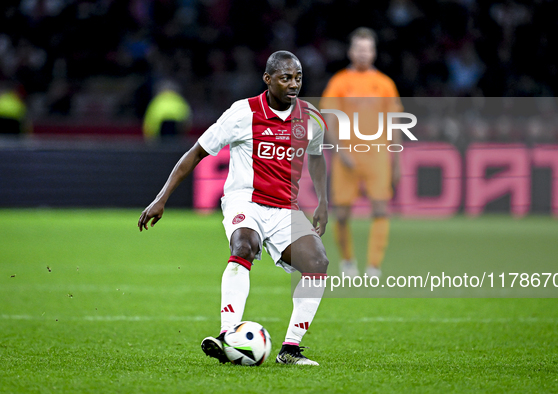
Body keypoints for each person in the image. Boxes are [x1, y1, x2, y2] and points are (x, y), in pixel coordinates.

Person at [138, 51, 329, 366]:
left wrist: (322, 200)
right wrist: (162, 198)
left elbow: (318, 156)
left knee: (318, 263)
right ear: (267, 80)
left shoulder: (311, 118)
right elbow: (195, 153)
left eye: (298, 77)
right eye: (285, 78)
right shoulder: (242, 113)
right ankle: (227, 337)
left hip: (286, 208)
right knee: (243, 245)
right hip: (246, 201)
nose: (293, 84)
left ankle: (290, 350)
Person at [321, 27, 403, 279]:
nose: (363, 53)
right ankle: (347, 263)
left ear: (374, 53)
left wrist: (397, 162)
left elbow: (395, 124)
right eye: (358, 48)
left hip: (377, 156)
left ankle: (374, 266)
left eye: (367, 49)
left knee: (380, 210)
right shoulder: (339, 82)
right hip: (347, 156)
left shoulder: (385, 84)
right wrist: (340, 151)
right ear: (350, 51)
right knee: (343, 213)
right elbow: (328, 119)